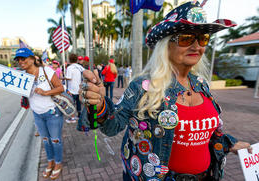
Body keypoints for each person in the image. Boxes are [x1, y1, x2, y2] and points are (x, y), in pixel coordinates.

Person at [78, 2, 252, 181]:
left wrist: (229, 143)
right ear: (166, 45)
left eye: (203, 39)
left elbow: (205, 135)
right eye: (185, 38)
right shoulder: (143, 86)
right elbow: (112, 126)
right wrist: (99, 104)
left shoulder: (201, 85)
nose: (196, 46)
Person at [15, 48, 64, 179]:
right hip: (37, 114)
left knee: (55, 140)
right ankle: (50, 162)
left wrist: (45, 92)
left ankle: (58, 164)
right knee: (46, 141)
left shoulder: (46, 71)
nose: (20, 61)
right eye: (18, 59)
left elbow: (60, 88)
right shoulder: (22, 77)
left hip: (53, 112)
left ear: (32, 59)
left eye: (23, 58)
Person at [65, 53, 85, 123]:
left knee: (71, 103)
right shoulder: (79, 67)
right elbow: (85, 73)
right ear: (76, 60)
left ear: (70, 60)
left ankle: (72, 118)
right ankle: (79, 116)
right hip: (79, 88)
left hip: (72, 89)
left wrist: (62, 78)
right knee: (79, 103)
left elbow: (69, 78)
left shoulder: (69, 68)